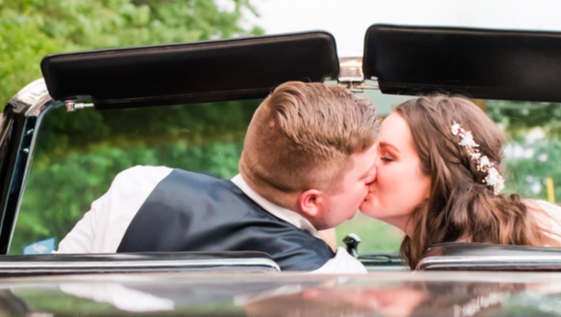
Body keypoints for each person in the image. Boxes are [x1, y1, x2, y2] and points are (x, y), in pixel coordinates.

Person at [60, 81, 378, 272]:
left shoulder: (138, 186)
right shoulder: (336, 277)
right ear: (310, 201)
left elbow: (52, 284)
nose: (373, 178)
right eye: (364, 176)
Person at [359, 94, 561, 267]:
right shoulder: (427, 255)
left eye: (387, 157)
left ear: (439, 179)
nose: (367, 169)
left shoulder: (539, 223)